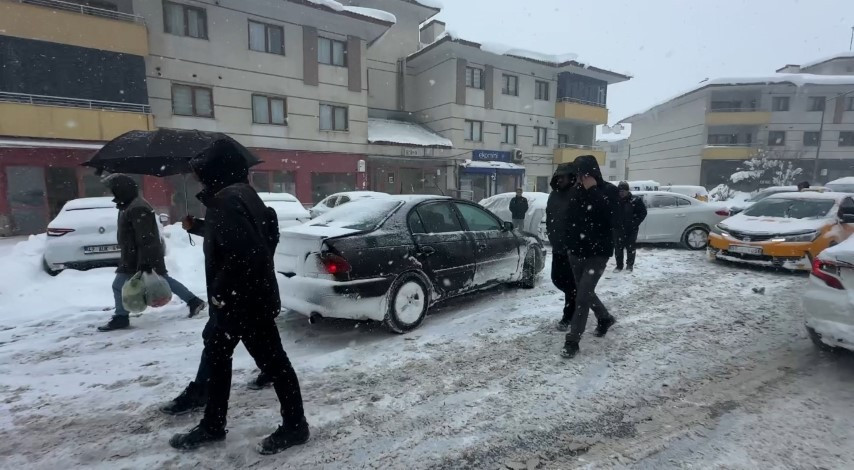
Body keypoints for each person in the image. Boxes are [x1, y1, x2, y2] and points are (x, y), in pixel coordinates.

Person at [168, 140, 309, 455]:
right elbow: (251, 237)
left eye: (201, 172)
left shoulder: (228, 200)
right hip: (241, 302)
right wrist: (202, 227)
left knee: (275, 365)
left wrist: (220, 290)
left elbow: (250, 252)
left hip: (243, 304)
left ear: (217, 171)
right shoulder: (239, 196)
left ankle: (295, 426)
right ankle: (212, 425)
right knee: (220, 359)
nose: (198, 178)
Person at [97, 174, 206, 332]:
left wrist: (145, 262)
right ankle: (193, 301)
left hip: (140, 256)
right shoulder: (128, 205)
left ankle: (121, 317)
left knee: (119, 285)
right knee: (163, 279)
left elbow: (146, 238)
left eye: (113, 190)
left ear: (121, 190)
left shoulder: (137, 207)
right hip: (134, 255)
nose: (112, 194)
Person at [561, 155, 619, 359]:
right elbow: (569, 219)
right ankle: (604, 317)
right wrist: (567, 245)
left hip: (598, 253)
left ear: (593, 172)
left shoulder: (608, 191)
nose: (580, 178)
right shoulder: (575, 192)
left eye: (584, 174)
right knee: (585, 292)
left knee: (583, 296)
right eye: (578, 174)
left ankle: (572, 341)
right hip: (576, 252)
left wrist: (593, 190)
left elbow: (610, 217)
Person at [545, 164, 578, 331]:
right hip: (557, 246)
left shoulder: (577, 194)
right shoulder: (554, 195)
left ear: (571, 177)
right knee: (557, 279)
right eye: (558, 176)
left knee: (571, 285)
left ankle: (569, 315)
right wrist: (550, 232)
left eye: (563, 177)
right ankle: (581, 300)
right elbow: (549, 215)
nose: (560, 179)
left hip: (572, 249)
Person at [613, 181, 647, 272]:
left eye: (623, 190)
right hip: (618, 229)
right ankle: (619, 266)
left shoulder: (635, 200)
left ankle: (629, 265)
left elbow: (643, 213)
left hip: (631, 229)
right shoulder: (614, 201)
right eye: (620, 191)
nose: (621, 192)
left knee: (630, 248)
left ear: (628, 191)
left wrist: (634, 223)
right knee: (618, 248)